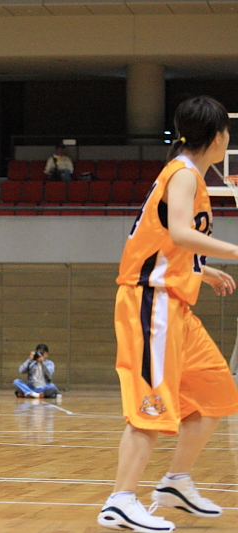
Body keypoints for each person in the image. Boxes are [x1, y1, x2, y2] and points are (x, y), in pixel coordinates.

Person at [97, 96, 238, 533]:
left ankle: (176, 482)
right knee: (150, 408)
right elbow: (178, 231)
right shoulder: (181, 174)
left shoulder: (186, 175)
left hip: (177, 303)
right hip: (150, 302)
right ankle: (120, 501)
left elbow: (166, 242)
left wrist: (203, 268)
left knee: (216, 393)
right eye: (227, 134)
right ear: (217, 137)